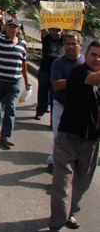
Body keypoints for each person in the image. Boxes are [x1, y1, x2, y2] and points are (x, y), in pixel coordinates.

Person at [46, 40, 100, 232]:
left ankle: (71, 212)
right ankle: (56, 224)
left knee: (82, 182)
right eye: (93, 54)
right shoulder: (79, 72)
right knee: (63, 181)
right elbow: (93, 79)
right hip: (69, 137)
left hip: (92, 141)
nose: (97, 59)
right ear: (86, 56)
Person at [0, 9, 30, 148]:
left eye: (14, 27)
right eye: (9, 26)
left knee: (10, 108)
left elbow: (24, 63)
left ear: (18, 29)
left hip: (14, 82)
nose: (11, 29)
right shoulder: (0, 39)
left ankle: (5, 136)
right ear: (6, 28)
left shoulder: (22, 44)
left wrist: (27, 81)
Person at [46, 31, 85, 174]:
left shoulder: (86, 63)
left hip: (80, 109)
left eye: (73, 44)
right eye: (67, 44)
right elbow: (56, 86)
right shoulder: (58, 63)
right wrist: (76, 78)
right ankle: (57, 167)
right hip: (61, 106)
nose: (70, 47)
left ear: (80, 45)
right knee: (59, 138)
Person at [35, 27, 64, 122]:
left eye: (58, 31)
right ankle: (40, 111)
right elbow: (43, 29)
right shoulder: (46, 38)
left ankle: (54, 120)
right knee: (42, 93)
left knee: (55, 97)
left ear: (62, 31)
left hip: (57, 74)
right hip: (45, 71)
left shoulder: (64, 39)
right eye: (53, 30)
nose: (55, 33)